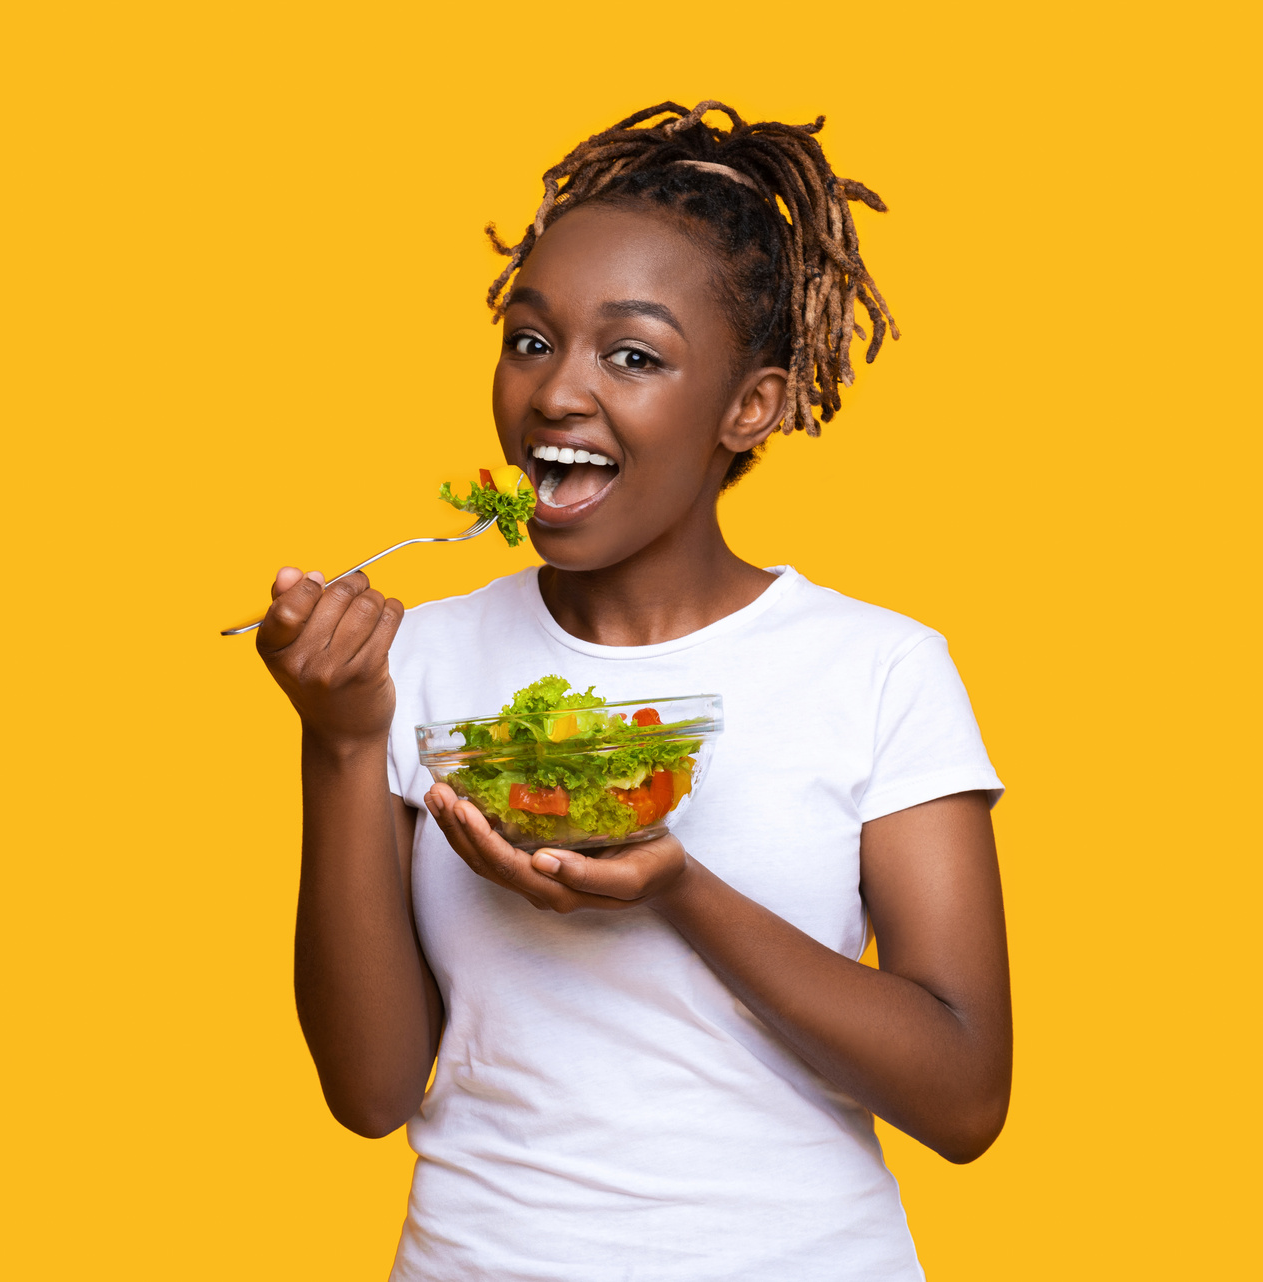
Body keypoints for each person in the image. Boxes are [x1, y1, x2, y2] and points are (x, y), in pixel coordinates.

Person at [253, 101, 1011, 1281]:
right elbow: (369, 1089)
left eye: (635, 354)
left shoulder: (877, 668)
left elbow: (965, 1096)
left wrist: (676, 889)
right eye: (530, 339)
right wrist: (343, 744)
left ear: (749, 406)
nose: (557, 393)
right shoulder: (418, 659)